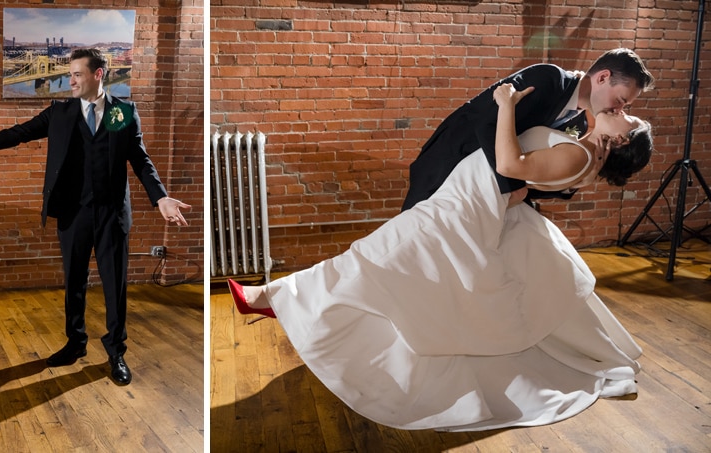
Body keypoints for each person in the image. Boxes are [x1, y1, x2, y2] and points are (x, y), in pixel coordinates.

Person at [226, 82, 653, 431]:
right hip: (466, 197)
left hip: (465, 206)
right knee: (386, 260)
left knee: (379, 256)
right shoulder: (582, 147)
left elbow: (510, 162)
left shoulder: (580, 153)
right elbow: (528, 185)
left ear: (621, 138)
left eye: (629, 114)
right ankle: (284, 298)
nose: (624, 107)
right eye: (626, 103)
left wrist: (505, 105)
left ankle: (278, 296)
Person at [0, 48, 190, 386]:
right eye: (69, 74)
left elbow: (141, 159)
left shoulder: (125, 112)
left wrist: (160, 197)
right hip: (73, 213)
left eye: (77, 74)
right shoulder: (60, 112)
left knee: (114, 285)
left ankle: (116, 351)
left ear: (97, 75)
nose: (70, 80)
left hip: (112, 215)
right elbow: (20, 132)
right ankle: (75, 343)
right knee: (74, 282)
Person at [402, 47, 654, 211]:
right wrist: (513, 188)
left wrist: (573, 185)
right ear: (602, 78)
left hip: (480, 196)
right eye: (621, 100)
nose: (618, 109)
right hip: (446, 166)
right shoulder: (549, 79)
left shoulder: (580, 124)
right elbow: (485, 122)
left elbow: (535, 173)